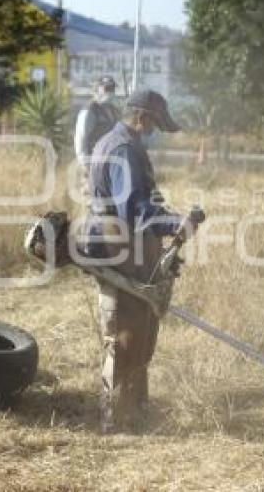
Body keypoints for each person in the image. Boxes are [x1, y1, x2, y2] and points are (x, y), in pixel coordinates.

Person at [81, 89, 185, 433]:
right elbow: (137, 212)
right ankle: (117, 418)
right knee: (124, 334)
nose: (154, 131)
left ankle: (135, 410)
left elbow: (142, 204)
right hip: (122, 247)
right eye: (154, 124)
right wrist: (175, 224)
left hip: (125, 245)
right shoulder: (124, 149)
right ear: (141, 117)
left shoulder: (114, 141)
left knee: (138, 328)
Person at [74, 75, 121, 169]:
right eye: (106, 88)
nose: (110, 92)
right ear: (97, 89)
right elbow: (80, 139)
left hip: (111, 165)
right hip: (93, 164)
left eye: (112, 89)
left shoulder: (114, 110)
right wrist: (85, 165)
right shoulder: (89, 111)